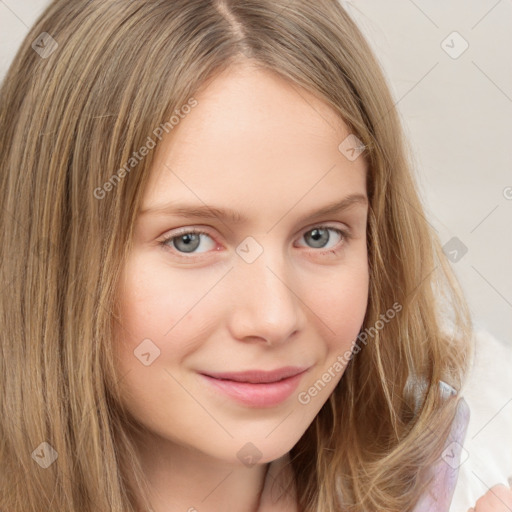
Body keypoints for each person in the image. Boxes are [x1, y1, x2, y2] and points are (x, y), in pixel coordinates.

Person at [0, 1, 510, 511]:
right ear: (52, 255)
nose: (274, 318)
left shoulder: (481, 465)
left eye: (320, 236)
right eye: (190, 241)